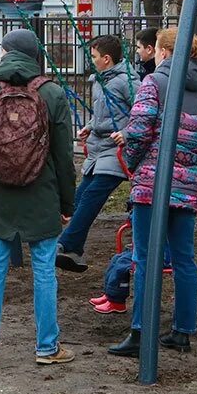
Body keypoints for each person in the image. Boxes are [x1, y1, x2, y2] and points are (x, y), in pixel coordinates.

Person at [0, 28, 76, 368]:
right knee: (44, 271)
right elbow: (64, 158)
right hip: (42, 192)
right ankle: (47, 348)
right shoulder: (52, 93)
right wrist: (67, 204)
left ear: (7, 52)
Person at [108, 28, 197, 357]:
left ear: (165, 53)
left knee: (144, 257)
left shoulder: (153, 83)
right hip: (186, 186)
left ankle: (140, 332)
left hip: (153, 185)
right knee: (184, 260)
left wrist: (136, 163)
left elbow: (138, 130)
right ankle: (182, 331)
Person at [56, 34, 135, 273]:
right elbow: (104, 112)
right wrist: (90, 125)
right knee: (80, 197)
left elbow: (145, 113)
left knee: (91, 197)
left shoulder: (126, 81)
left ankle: (67, 244)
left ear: (107, 59)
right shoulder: (100, 80)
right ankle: (72, 249)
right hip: (99, 148)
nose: (91, 61)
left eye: (94, 57)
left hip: (117, 150)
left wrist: (126, 133)